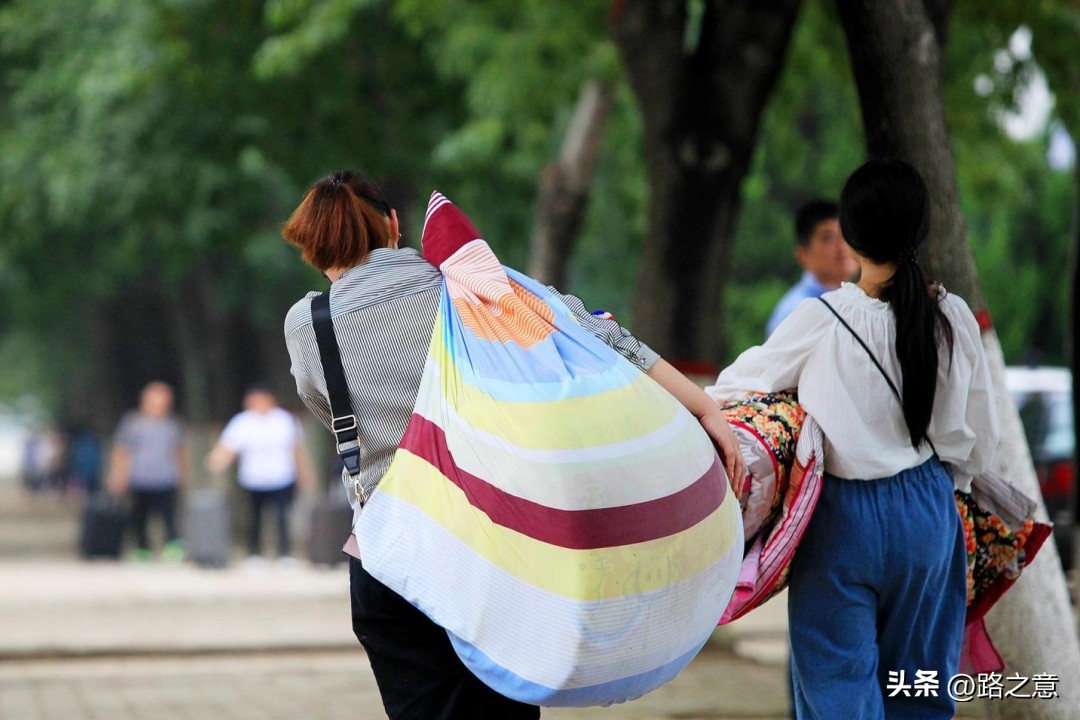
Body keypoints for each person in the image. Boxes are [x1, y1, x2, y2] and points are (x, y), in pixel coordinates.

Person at [281, 170, 745, 720]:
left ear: (312, 247)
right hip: (504, 548)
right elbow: (598, 335)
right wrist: (705, 407)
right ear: (394, 225)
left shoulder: (309, 325)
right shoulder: (473, 285)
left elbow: (335, 415)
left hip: (392, 554)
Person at [706, 158, 998, 720]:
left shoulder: (820, 320)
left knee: (839, 688)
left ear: (852, 236)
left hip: (840, 523)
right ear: (921, 229)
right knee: (920, 689)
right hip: (929, 516)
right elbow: (976, 440)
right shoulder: (952, 316)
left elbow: (735, 390)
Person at [205, 385, 314, 566]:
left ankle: (284, 554)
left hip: (282, 477)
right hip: (253, 479)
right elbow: (228, 446)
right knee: (254, 518)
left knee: (282, 517)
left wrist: (305, 472)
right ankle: (254, 554)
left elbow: (297, 449)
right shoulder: (243, 421)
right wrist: (217, 461)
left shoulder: (285, 420)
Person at [106, 381, 188, 562]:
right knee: (139, 517)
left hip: (166, 477)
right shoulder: (132, 422)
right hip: (139, 477)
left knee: (170, 516)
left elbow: (178, 451)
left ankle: (173, 548)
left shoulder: (172, 424)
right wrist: (118, 475)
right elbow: (122, 451)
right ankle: (143, 550)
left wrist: (182, 473)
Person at [765, 199, 858, 337]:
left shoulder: (864, 302)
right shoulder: (794, 313)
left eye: (846, 234)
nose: (842, 246)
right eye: (828, 238)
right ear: (804, 255)